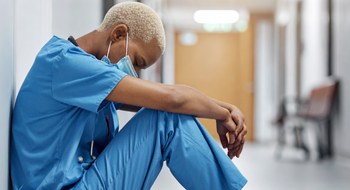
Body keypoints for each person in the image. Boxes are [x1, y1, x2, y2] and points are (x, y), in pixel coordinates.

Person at [11, 2, 247, 189]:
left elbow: (172, 102)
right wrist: (223, 113)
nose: (133, 72)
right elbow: (173, 99)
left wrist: (226, 107)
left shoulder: (90, 80)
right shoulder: (65, 63)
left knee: (168, 114)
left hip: (83, 181)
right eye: (136, 61)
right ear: (118, 34)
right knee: (166, 118)